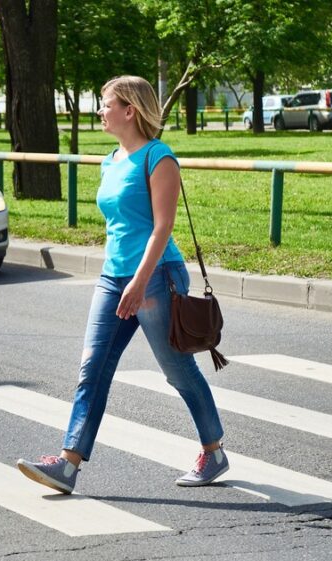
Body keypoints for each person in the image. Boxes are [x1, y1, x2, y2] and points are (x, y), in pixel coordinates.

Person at [16, 75, 228, 494]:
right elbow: (120, 224)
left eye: (106, 103)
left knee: (177, 369)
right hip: (114, 277)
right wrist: (121, 278)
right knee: (92, 367)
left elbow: (162, 227)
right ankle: (68, 464)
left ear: (129, 110)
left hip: (155, 276)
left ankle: (214, 450)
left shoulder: (159, 158)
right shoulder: (110, 159)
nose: (100, 111)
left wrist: (140, 280)